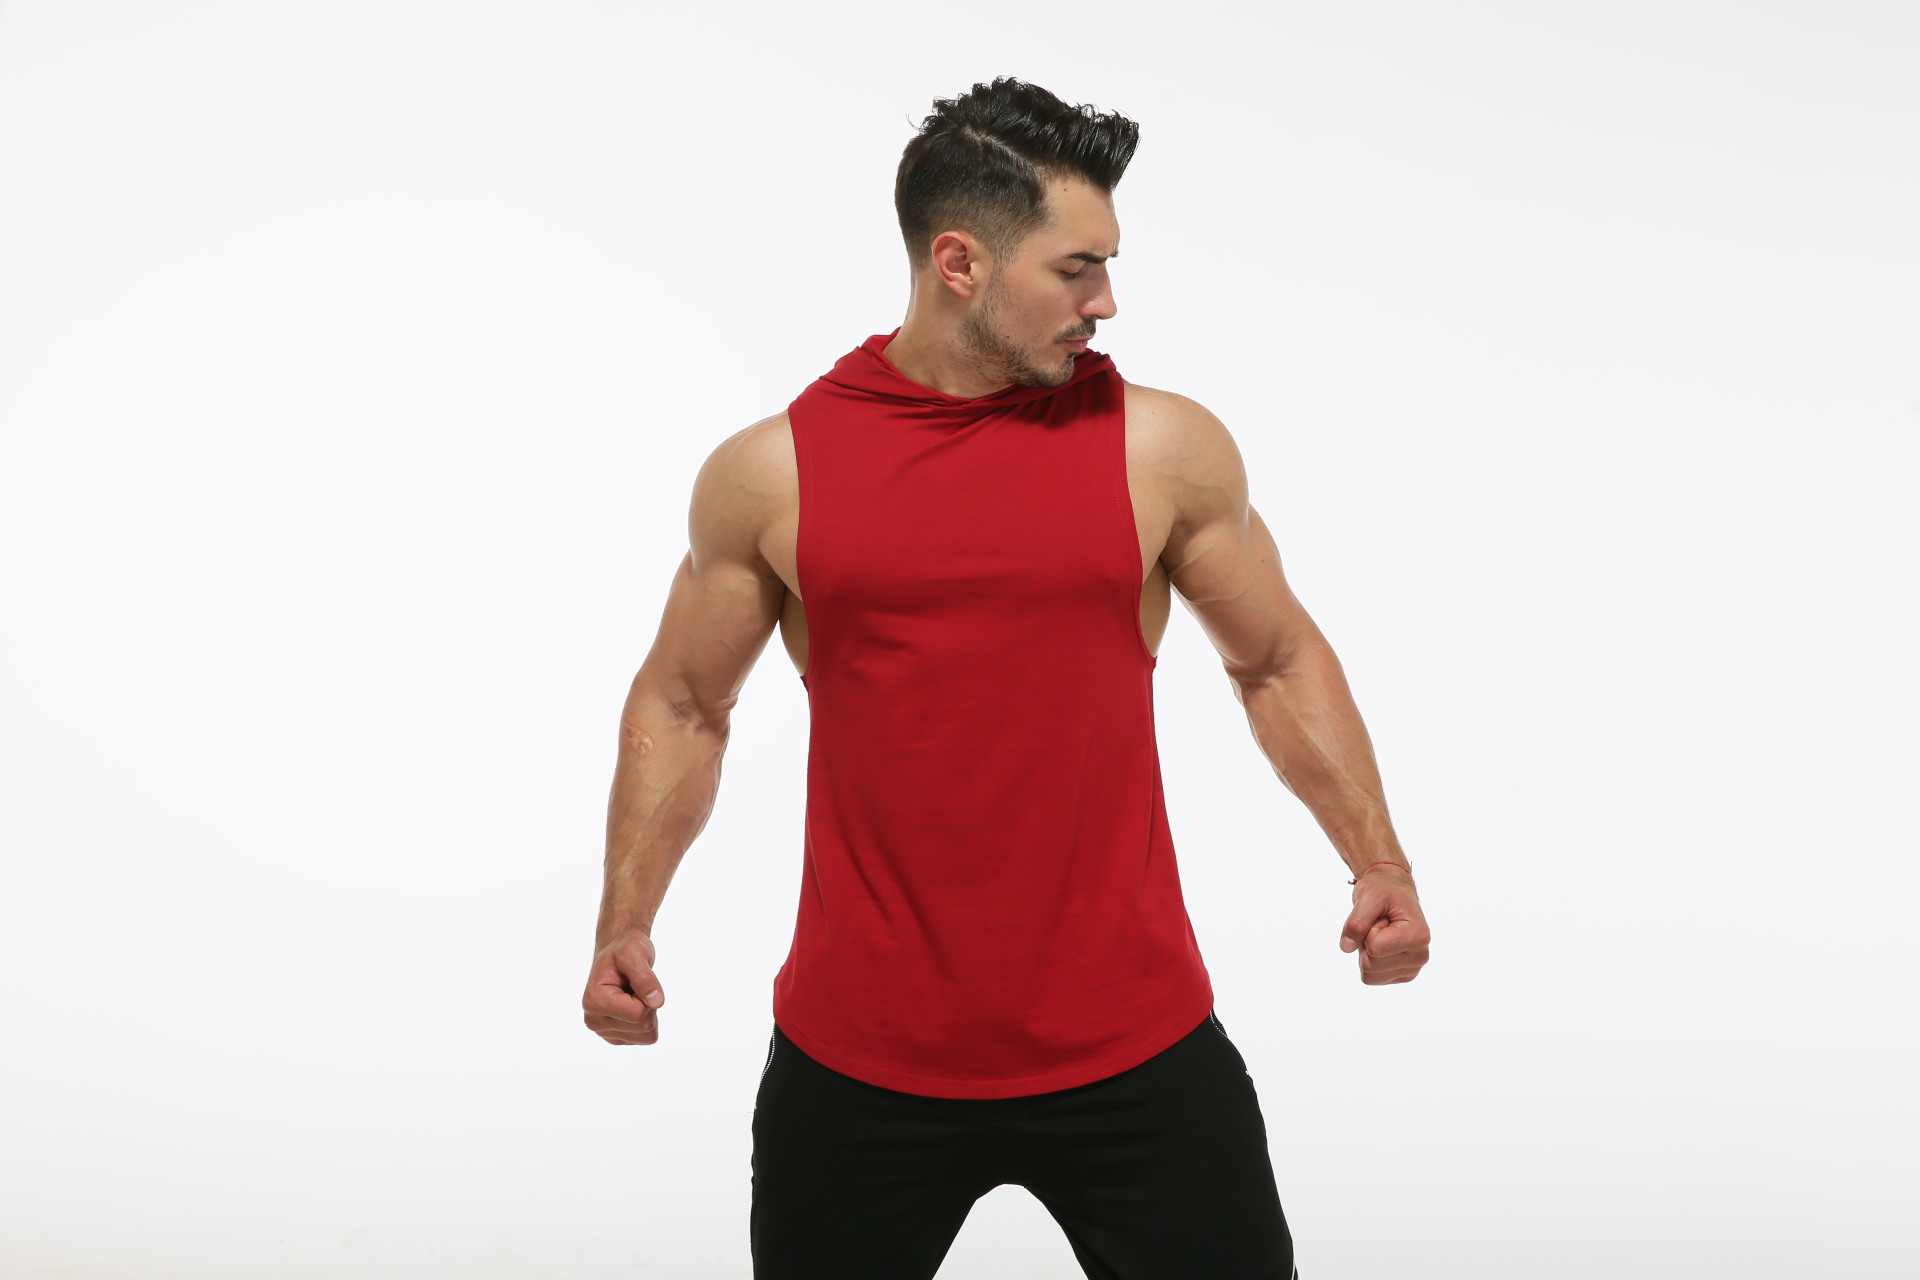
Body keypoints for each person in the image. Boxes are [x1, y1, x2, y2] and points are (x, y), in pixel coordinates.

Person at [581, 75, 1431, 1279]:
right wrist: (626, 920)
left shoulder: (1161, 449)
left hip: (1136, 1047)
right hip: (860, 1063)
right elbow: (683, 701)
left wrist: (1379, 861)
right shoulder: (776, 473)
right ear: (960, 263)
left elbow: (1277, 657)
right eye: (1077, 269)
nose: (1106, 301)